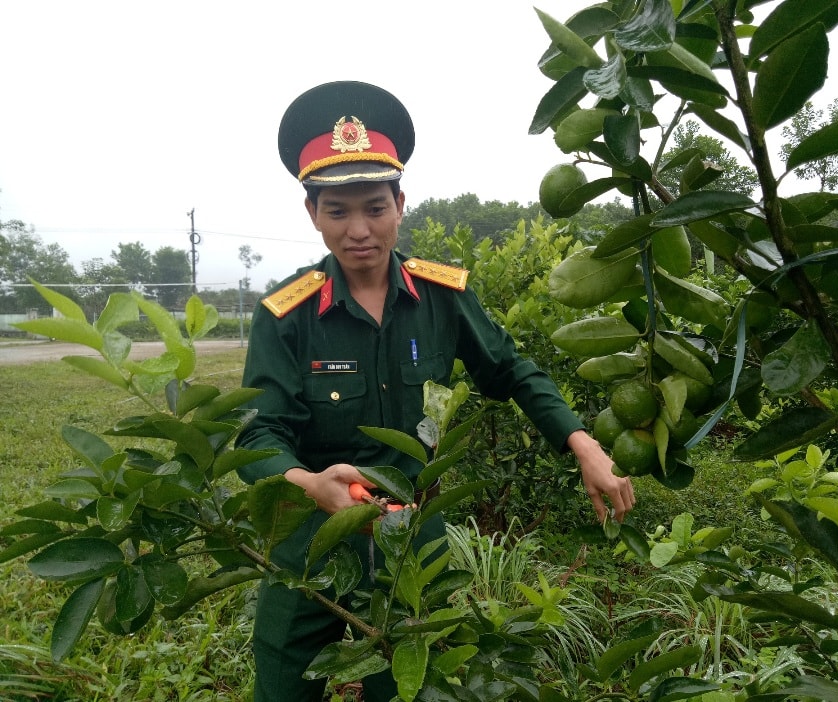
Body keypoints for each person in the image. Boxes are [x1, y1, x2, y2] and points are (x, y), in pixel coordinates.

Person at [235, 80, 636, 702]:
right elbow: (260, 432)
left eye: (374, 206)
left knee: (402, 683)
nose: (358, 230)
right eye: (337, 212)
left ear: (400, 202)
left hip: (408, 533)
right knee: (284, 680)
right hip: (310, 537)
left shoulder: (442, 297)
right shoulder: (286, 314)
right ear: (312, 213)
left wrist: (582, 442)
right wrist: (309, 485)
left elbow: (512, 370)